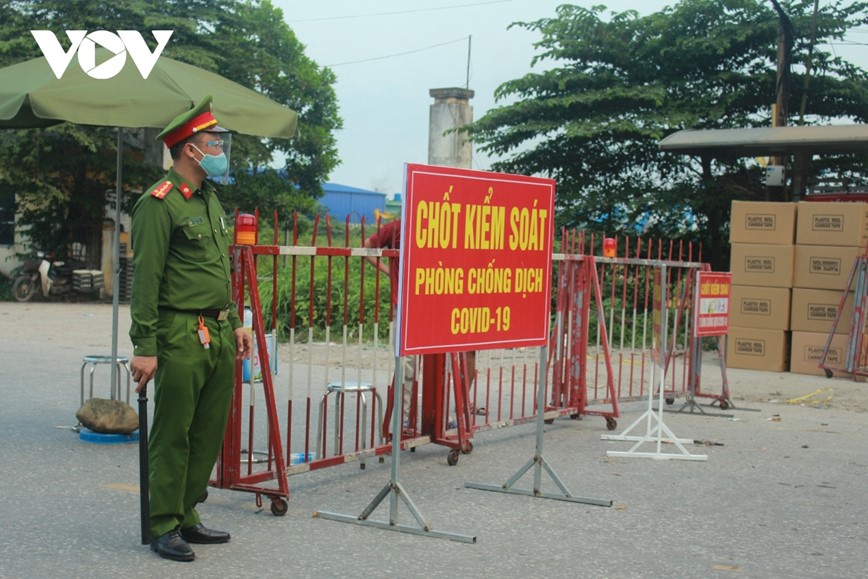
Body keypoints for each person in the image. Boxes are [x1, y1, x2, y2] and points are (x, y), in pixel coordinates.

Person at [129, 96, 251, 563]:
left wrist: (236, 321)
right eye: (212, 142)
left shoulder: (210, 198)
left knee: (207, 430)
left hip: (217, 332)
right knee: (173, 432)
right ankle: (162, 523)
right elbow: (146, 281)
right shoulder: (158, 204)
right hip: (179, 332)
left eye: (220, 141)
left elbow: (220, 268)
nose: (220, 148)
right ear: (189, 151)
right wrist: (145, 346)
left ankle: (186, 514)